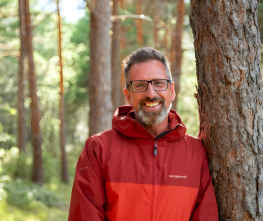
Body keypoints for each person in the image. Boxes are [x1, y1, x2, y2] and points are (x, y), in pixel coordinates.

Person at [68, 47, 218, 221]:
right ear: (128, 96)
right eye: (140, 86)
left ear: (171, 90)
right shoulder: (98, 149)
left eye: (159, 83)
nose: (151, 94)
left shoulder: (197, 153)